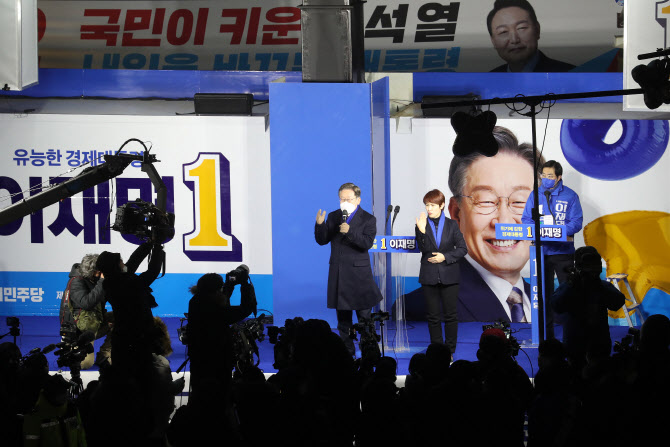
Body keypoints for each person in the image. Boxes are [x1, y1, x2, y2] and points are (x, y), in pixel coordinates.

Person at [448, 130, 544, 322]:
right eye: (486, 201)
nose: (504, 221)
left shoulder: (558, 309)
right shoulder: (422, 308)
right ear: (456, 213)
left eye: (520, 202)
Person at [315, 182, 383, 356]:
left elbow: (366, 244)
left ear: (358, 200)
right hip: (339, 274)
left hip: (360, 277)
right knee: (343, 322)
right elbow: (322, 240)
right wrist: (321, 225)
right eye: (342, 199)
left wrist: (350, 231)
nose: (345, 202)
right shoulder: (333, 216)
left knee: (365, 319)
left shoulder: (368, 219)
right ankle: (347, 353)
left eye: (349, 199)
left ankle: (368, 352)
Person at [522, 160, 583, 338]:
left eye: (550, 176)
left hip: (563, 253)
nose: (546, 179)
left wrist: (557, 231)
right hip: (542, 253)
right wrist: (540, 231)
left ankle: (570, 335)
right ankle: (547, 336)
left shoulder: (570, 196)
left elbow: (576, 222)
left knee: (567, 294)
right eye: (543, 176)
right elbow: (526, 219)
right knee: (544, 295)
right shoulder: (535, 195)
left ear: (558, 177)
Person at [95, 241, 164, 376]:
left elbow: (133, 261)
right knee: (140, 373)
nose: (123, 262)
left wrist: (148, 244)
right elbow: (152, 272)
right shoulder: (128, 282)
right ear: (116, 266)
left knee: (123, 373)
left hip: (123, 336)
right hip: (137, 336)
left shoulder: (111, 281)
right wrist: (157, 248)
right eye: (120, 261)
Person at [551, 246, 625, 370]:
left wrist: (597, 284)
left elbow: (617, 302)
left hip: (597, 343)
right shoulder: (570, 287)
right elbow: (556, 305)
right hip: (576, 344)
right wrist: (572, 285)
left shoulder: (602, 287)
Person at [415, 189, 467, 353]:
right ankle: (437, 350)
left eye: (432, 205)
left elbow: (462, 249)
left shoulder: (452, 225)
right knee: (433, 317)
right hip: (429, 275)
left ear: (442, 205)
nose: (429, 209)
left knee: (451, 316)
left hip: (449, 275)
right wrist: (421, 231)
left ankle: (450, 350)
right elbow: (424, 249)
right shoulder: (421, 224)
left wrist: (445, 256)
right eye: (427, 205)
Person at [487, 0, 576, 73]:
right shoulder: (488, 80)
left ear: (537, 30)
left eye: (521, 28)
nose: (514, 40)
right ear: (493, 41)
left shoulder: (570, 74)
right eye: (503, 32)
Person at [62, 254, 113, 369]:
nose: (101, 273)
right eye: (99, 271)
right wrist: (102, 281)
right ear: (91, 271)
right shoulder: (76, 282)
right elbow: (87, 303)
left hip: (93, 322)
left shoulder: (95, 279)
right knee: (85, 364)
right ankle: (70, 347)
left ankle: (105, 354)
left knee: (121, 317)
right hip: (79, 329)